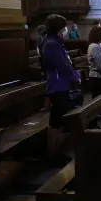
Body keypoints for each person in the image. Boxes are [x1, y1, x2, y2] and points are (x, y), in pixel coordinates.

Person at [39, 14, 82, 164]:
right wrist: (75, 77)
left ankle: (57, 152)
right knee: (57, 122)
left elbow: (66, 63)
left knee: (60, 121)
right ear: (59, 29)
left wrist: (74, 74)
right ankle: (53, 154)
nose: (66, 30)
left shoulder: (54, 43)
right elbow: (63, 66)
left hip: (61, 85)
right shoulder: (51, 45)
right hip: (58, 86)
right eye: (64, 27)